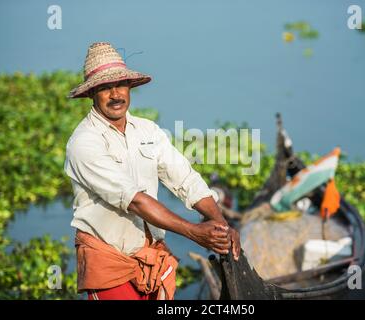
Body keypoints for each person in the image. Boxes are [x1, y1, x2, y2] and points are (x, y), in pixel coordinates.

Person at [64, 42, 240, 300]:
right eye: (105, 87)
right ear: (92, 93)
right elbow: (134, 201)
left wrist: (221, 226)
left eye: (120, 84)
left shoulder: (148, 131)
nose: (115, 94)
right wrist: (194, 232)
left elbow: (185, 179)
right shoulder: (84, 142)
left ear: (130, 87)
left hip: (152, 256)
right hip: (110, 261)